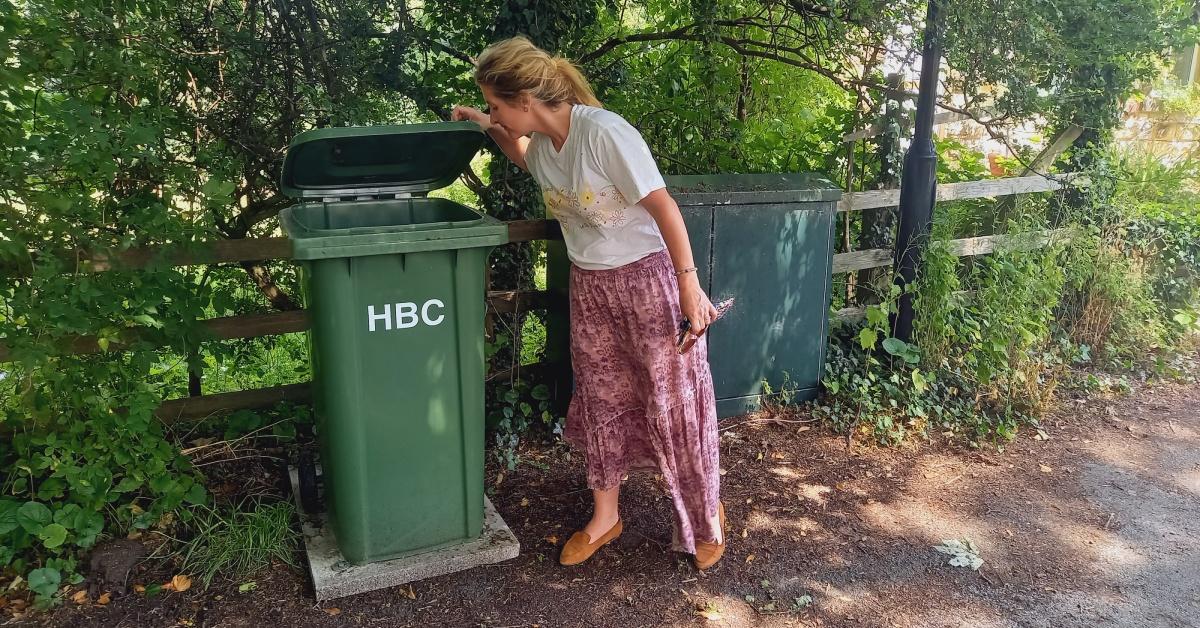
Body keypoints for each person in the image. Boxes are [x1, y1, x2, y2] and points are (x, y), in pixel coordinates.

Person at [452, 36, 726, 569]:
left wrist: (690, 288)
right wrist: (484, 126)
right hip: (591, 287)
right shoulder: (547, 145)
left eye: (497, 104)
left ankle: (704, 514)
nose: (495, 112)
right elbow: (522, 152)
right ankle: (606, 518)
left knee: (671, 402)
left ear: (526, 101)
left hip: (647, 282)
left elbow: (664, 207)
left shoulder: (604, 134)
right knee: (601, 398)